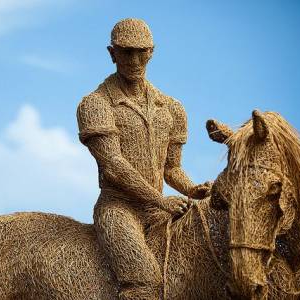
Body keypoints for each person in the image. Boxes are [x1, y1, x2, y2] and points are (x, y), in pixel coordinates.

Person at [77, 18, 209, 300]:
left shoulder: (172, 108)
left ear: (152, 52)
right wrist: (161, 201)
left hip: (159, 213)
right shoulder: (95, 104)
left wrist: (192, 189)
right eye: (126, 52)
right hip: (118, 210)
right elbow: (113, 166)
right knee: (145, 283)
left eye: (141, 51)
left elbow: (172, 168)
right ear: (112, 53)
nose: (134, 60)